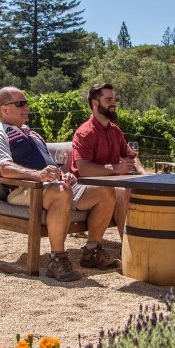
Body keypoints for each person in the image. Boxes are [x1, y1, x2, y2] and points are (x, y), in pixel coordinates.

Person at [0, 86, 118, 282]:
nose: (26, 108)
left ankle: (92, 251)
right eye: (20, 104)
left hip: (53, 186)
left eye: (27, 103)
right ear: (5, 109)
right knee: (60, 191)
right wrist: (38, 175)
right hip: (25, 189)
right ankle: (57, 259)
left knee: (105, 191)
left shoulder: (33, 135)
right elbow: (4, 168)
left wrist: (65, 175)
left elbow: (50, 165)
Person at [71, 83, 147, 236]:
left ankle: (143, 241)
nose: (113, 103)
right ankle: (127, 248)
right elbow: (83, 169)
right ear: (95, 103)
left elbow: (131, 156)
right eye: (108, 100)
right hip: (85, 188)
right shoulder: (84, 133)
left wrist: (144, 174)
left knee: (144, 190)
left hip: (111, 184)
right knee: (123, 191)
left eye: (114, 100)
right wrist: (116, 168)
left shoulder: (115, 131)